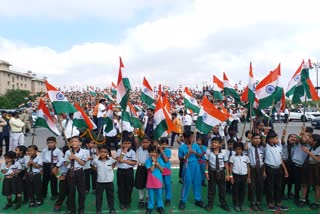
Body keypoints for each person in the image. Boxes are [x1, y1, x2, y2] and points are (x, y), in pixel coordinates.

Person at [178, 131, 206, 210]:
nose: (192, 138)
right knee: (186, 182)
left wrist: (194, 152)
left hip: (196, 165)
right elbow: (180, 158)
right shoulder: (182, 147)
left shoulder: (195, 145)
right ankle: (182, 200)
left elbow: (200, 156)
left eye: (193, 137)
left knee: (197, 182)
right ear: (185, 138)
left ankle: (198, 199)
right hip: (187, 166)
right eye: (191, 137)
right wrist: (186, 155)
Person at [264, 130, 289, 211]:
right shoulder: (266, 147)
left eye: (277, 138)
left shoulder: (278, 147)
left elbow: (280, 159)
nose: (277, 139)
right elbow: (264, 141)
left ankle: (278, 202)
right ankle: (270, 203)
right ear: (270, 139)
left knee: (279, 186)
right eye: (276, 138)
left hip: (278, 168)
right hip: (270, 168)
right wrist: (265, 134)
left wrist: (285, 170)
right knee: (270, 186)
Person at [205, 137, 231, 212]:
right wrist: (206, 172)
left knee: (222, 189)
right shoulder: (208, 152)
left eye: (216, 142)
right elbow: (207, 162)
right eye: (212, 142)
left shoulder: (223, 152)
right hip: (212, 171)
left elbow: (226, 163)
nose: (213, 144)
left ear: (220, 144)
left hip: (221, 172)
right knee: (211, 189)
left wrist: (228, 174)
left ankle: (223, 204)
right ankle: (210, 204)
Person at [64, 136, 88, 214]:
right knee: (71, 192)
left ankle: (81, 208)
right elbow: (65, 164)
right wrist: (69, 159)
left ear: (80, 143)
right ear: (70, 143)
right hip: (70, 173)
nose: (74, 143)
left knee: (81, 192)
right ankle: (72, 209)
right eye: (72, 141)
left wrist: (75, 158)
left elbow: (83, 163)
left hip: (80, 172)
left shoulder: (84, 151)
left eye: (76, 141)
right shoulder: (68, 152)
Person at [91, 144, 117, 214]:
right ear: (99, 152)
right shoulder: (96, 160)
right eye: (101, 152)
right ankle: (98, 210)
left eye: (105, 152)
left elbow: (115, 163)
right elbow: (92, 164)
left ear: (107, 153)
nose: (103, 153)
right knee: (99, 197)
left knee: (110, 196)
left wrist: (112, 167)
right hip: (100, 182)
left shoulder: (111, 160)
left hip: (109, 181)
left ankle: (112, 209)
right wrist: (96, 169)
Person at [116, 137, 137, 210]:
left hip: (129, 171)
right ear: (121, 144)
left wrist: (125, 161)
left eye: (128, 143)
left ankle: (128, 201)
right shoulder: (119, 150)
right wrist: (124, 151)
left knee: (129, 186)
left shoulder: (132, 152)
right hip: (120, 171)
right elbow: (118, 160)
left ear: (131, 144)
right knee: (121, 187)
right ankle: (121, 201)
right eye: (125, 143)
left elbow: (134, 163)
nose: (127, 145)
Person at [300, 134, 320, 210]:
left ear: (315, 141)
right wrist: (303, 134)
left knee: (317, 186)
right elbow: (303, 140)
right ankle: (303, 200)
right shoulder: (311, 145)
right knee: (304, 183)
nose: (309, 139)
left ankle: (316, 202)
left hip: (316, 168)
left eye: (311, 138)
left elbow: (318, 160)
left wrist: (308, 152)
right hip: (308, 166)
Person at [229, 142, 250, 212]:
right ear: (234, 150)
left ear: (242, 150)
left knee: (243, 190)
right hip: (236, 176)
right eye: (236, 149)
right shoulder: (232, 157)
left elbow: (248, 168)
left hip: (244, 176)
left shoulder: (246, 157)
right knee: (235, 190)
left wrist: (248, 177)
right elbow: (231, 167)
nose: (238, 151)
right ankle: (236, 204)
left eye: (240, 149)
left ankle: (241, 203)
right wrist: (231, 176)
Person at [246, 133, 265, 211]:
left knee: (260, 186)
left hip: (260, 169)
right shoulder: (250, 147)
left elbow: (263, 160)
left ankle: (258, 202)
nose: (257, 140)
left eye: (259, 138)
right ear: (252, 139)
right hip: (252, 169)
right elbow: (245, 147)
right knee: (252, 186)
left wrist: (264, 171)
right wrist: (248, 139)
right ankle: (252, 202)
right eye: (255, 138)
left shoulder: (262, 148)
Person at [145, 145, 165, 214]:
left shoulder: (160, 160)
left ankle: (160, 206)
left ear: (158, 154)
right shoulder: (148, 161)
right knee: (151, 195)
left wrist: (158, 164)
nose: (153, 153)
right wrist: (153, 162)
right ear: (149, 153)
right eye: (151, 152)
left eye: (155, 152)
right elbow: (152, 169)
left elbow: (162, 171)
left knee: (159, 194)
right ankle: (150, 207)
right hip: (150, 181)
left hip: (158, 181)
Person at [135, 136, 150, 209]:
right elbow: (136, 141)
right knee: (140, 185)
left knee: (148, 185)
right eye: (144, 142)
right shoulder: (139, 149)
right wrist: (135, 133)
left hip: (148, 169)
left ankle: (147, 200)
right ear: (141, 143)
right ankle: (141, 200)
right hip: (140, 168)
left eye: (147, 142)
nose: (145, 144)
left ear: (149, 143)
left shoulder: (151, 150)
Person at [52, 146, 69, 212]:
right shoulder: (62, 159)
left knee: (70, 193)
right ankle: (58, 205)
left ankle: (69, 205)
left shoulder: (73, 158)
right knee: (62, 193)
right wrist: (59, 176)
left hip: (72, 177)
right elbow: (54, 170)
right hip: (64, 178)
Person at [159, 137, 172, 207]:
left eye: (165, 144)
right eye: (162, 144)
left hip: (166, 170)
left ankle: (168, 199)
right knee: (159, 185)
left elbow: (166, 160)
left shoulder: (168, 151)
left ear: (167, 145)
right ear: (160, 144)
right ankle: (159, 199)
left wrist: (162, 152)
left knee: (167, 184)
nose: (164, 146)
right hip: (158, 170)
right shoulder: (157, 150)